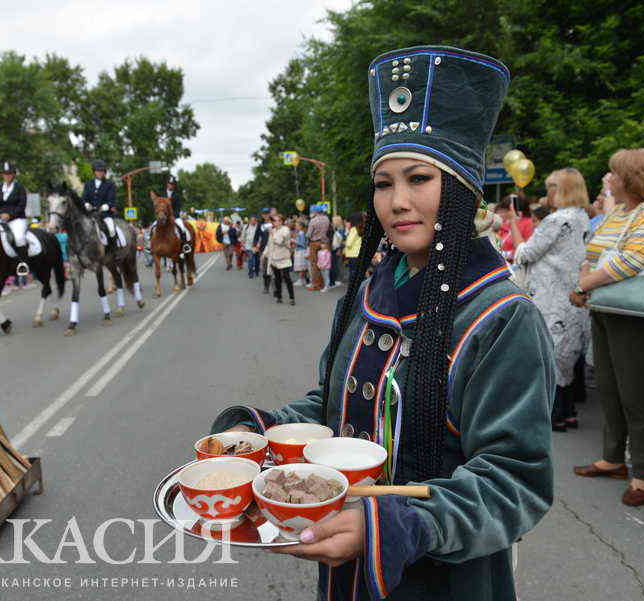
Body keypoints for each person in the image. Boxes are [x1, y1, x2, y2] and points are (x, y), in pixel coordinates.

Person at [207, 45, 554, 600]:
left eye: (418, 178)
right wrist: (258, 435)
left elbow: (516, 482)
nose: (397, 202)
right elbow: (332, 407)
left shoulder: (501, 318)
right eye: (383, 182)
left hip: (447, 580)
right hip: (348, 560)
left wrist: (401, 525)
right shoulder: (370, 291)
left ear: (463, 188)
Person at [570, 148, 644, 506]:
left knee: (636, 395)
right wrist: (585, 279)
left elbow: (635, 259)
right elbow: (594, 251)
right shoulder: (622, 210)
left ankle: (643, 474)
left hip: (635, 316)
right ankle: (613, 459)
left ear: (630, 178)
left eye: (614, 173)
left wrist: (585, 284)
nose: (608, 179)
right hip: (606, 307)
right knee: (610, 389)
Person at [513, 168, 591, 431]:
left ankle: (552, 415)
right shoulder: (584, 217)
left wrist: (513, 225)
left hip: (548, 296)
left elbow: (526, 253)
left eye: (553, 187)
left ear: (564, 189)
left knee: (546, 355)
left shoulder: (557, 220)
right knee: (565, 356)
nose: (549, 192)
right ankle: (568, 412)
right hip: (572, 297)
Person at [0, 160, 29, 267]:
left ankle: (22, 263)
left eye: (9, 174)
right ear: (2, 175)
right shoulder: (0, 188)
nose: (7, 176)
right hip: (1, 218)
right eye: (5, 174)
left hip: (17, 219)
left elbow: (22, 205)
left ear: (14, 174)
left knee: (19, 238)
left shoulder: (20, 188)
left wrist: (10, 215)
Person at [81, 159, 121, 249]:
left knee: (111, 229)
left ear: (104, 172)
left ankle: (113, 250)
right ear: (94, 172)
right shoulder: (88, 184)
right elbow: (84, 198)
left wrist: (106, 205)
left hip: (104, 214)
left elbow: (111, 199)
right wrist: (86, 204)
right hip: (90, 213)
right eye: (98, 171)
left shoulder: (109, 184)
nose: (99, 173)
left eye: (102, 171)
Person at [266, 214, 296, 305]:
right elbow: (270, 244)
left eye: (278, 220)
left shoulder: (285, 230)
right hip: (274, 258)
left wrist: (273, 234)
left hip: (284, 257)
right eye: (274, 221)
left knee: (287, 278)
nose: (276, 222)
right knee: (277, 278)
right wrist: (265, 254)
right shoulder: (273, 230)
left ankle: (292, 297)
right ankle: (279, 296)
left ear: (282, 221)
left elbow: (280, 241)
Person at [306, 205, 331, 290]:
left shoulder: (313, 220)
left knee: (314, 264)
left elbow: (308, 234)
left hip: (314, 243)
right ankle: (323, 283)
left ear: (315, 212)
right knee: (323, 264)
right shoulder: (327, 219)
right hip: (324, 242)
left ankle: (315, 284)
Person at [164, 175, 191, 249]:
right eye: (169, 183)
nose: (171, 185)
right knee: (153, 227)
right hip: (163, 217)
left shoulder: (177, 196)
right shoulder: (162, 194)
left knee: (182, 228)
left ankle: (185, 245)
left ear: (174, 185)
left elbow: (178, 208)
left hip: (174, 217)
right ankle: (151, 245)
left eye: (172, 184)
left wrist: (173, 216)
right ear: (167, 184)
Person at [343, 211, 364, 281]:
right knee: (357, 272)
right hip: (358, 253)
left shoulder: (353, 229)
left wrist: (345, 241)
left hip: (352, 254)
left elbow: (349, 244)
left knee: (352, 273)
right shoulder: (360, 228)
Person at [292, 220, 310, 286]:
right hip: (299, 250)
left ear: (300, 226)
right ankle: (303, 279)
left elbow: (303, 244)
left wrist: (294, 241)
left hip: (301, 251)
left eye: (297, 226)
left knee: (301, 266)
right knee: (301, 266)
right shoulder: (300, 233)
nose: (295, 227)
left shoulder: (301, 233)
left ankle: (301, 280)